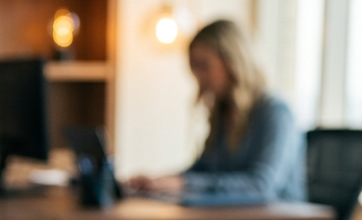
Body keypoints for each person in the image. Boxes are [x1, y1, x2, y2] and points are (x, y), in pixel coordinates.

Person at [128, 19, 304, 205]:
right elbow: (204, 169)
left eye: (204, 65)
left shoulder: (275, 113)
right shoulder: (223, 111)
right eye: (194, 66)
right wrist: (160, 182)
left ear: (233, 62)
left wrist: (184, 183)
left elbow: (261, 186)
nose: (198, 76)